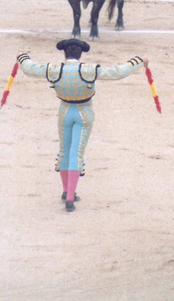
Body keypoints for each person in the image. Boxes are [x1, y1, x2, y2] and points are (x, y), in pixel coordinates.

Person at [17, 39, 147, 212]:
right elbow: (117, 73)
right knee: (76, 153)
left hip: (64, 112)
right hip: (84, 113)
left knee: (64, 149)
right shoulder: (88, 69)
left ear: (65, 54)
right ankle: (70, 197)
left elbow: (29, 69)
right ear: (81, 54)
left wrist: (22, 57)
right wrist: (139, 61)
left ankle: (65, 191)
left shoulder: (55, 69)